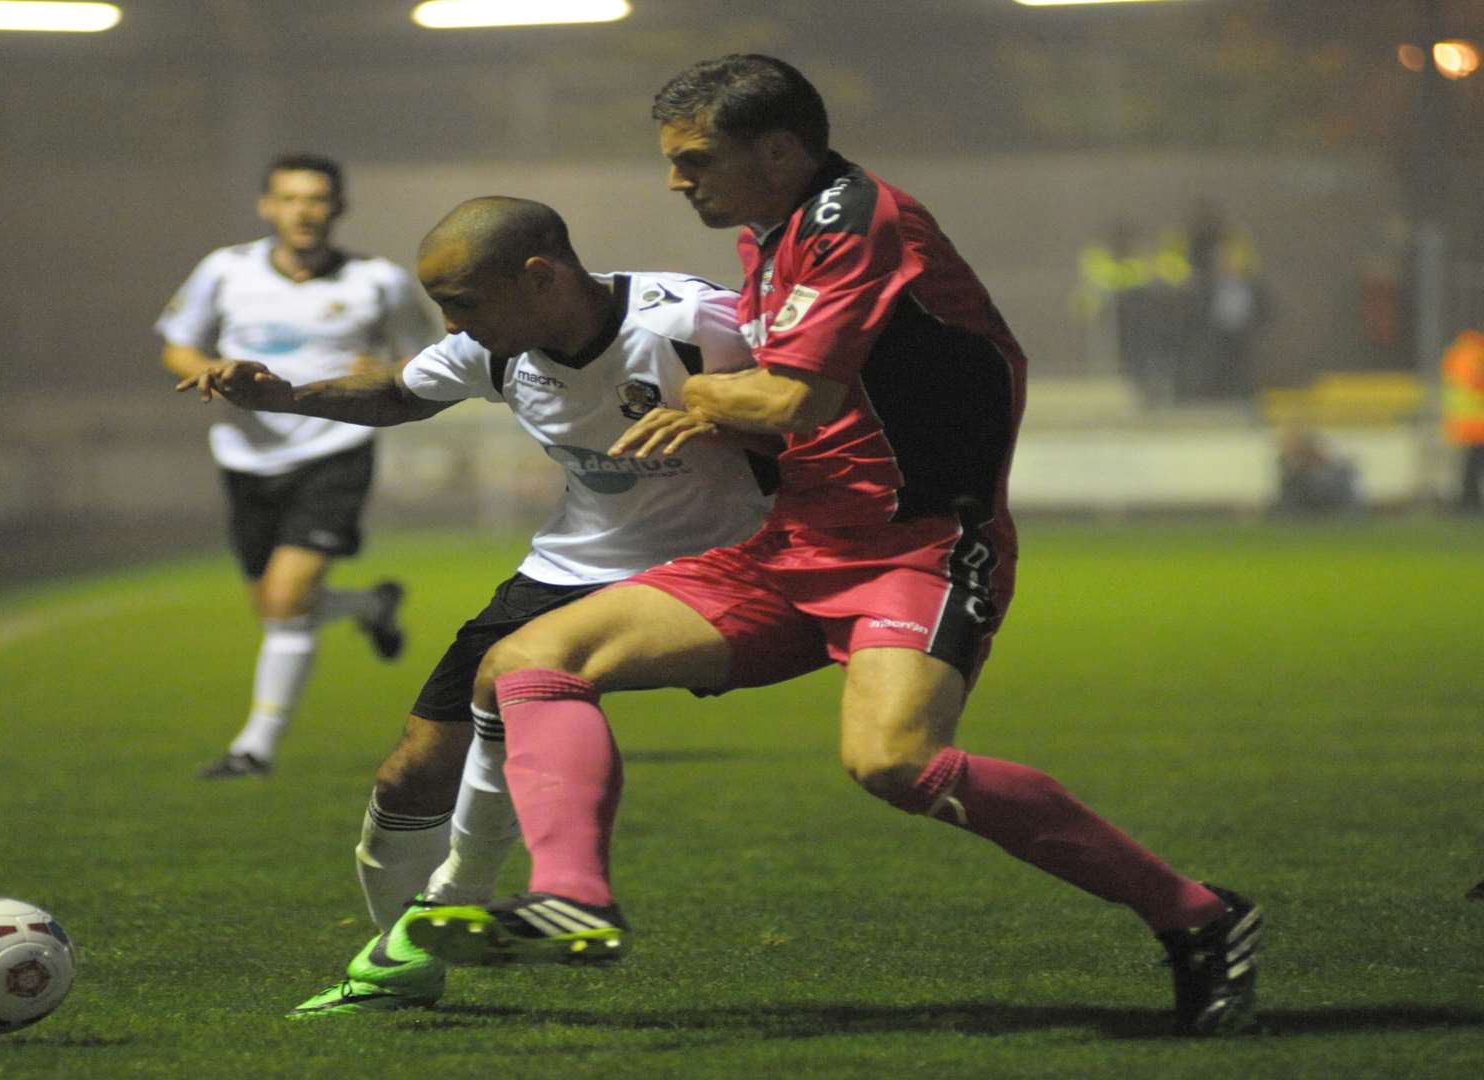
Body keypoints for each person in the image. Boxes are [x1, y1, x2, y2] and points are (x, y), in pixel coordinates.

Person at [407, 55, 1263, 1038]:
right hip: (794, 545)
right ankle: (572, 898)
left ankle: (1198, 914)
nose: (677, 182)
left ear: (779, 149)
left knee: (896, 762)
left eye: (694, 160)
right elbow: (792, 406)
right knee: (530, 662)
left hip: (923, 543)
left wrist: (706, 399)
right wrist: (727, 410)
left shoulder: (854, 220)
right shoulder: (768, 238)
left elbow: (790, 397)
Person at [184, 196, 781, 1016]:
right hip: (568, 565)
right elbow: (399, 394)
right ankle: (404, 963)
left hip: (718, 570)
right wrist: (284, 396)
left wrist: (724, 422)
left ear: (539, 278)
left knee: (520, 679)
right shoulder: (497, 350)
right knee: (410, 775)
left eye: (461, 301)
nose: (449, 322)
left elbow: (816, 415)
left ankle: (477, 895)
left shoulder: (692, 322)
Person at [156, 153, 436, 778]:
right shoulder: (224, 271)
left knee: (287, 598)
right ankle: (370, 607)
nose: (303, 211)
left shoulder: (379, 281)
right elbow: (177, 345)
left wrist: (385, 377)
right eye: (289, 199)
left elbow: (426, 361)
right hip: (246, 455)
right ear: (266, 206)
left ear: (337, 207)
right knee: (276, 605)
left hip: (333, 449)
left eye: (316, 199)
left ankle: (254, 749)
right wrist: (211, 374)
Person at [1443, 329, 1484, 512]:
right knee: (1473, 464)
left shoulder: (1457, 353)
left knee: (1471, 464)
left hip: (1463, 421)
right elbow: (1476, 383)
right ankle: (1468, 502)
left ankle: (1468, 501)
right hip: (1476, 423)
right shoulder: (1473, 355)